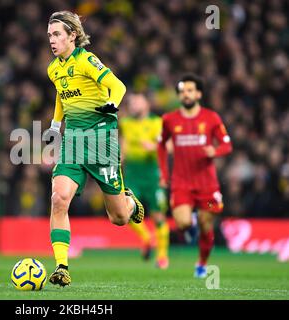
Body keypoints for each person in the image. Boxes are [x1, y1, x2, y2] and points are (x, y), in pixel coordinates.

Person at [44, 11, 144, 287]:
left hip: (101, 143)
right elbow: (63, 96)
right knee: (58, 198)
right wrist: (55, 126)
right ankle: (62, 267)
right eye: (49, 35)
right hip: (73, 142)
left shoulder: (87, 60)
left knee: (120, 218)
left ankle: (130, 202)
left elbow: (118, 85)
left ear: (72, 36)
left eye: (57, 34)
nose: (51, 40)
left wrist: (112, 103)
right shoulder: (54, 68)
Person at [157, 74, 233, 278]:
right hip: (181, 184)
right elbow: (161, 145)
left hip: (207, 186)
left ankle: (201, 263)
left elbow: (227, 144)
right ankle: (190, 222)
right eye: (182, 91)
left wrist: (214, 152)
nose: (186, 95)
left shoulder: (211, 118)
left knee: (207, 223)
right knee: (182, 223)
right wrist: (164, 173)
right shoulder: (169, 119)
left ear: (198, 93)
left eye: (190, 91)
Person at [120, 93, 170, 269]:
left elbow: (169, 146)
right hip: (133, 173)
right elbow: (124, 143)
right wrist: (120, 157)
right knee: (125, 210)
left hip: (152, 175)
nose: (133, 105)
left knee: (158, 216)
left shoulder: (157, 123)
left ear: (146, 103)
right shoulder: (125, 123)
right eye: (131, 103)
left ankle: (162, 257)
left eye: (136, 102)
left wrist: (155, 147)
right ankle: (146, 238)